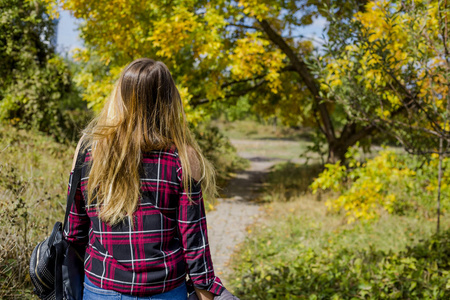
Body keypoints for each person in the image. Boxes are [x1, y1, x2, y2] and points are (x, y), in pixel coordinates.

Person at [64, 58, 225, 300]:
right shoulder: (182, 157)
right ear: (169, 101)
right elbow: (194, 241)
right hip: (165, 290)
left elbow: (73, 231)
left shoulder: (89, 150)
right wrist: (206, 291)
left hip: (101, 288)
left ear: (120, 95)